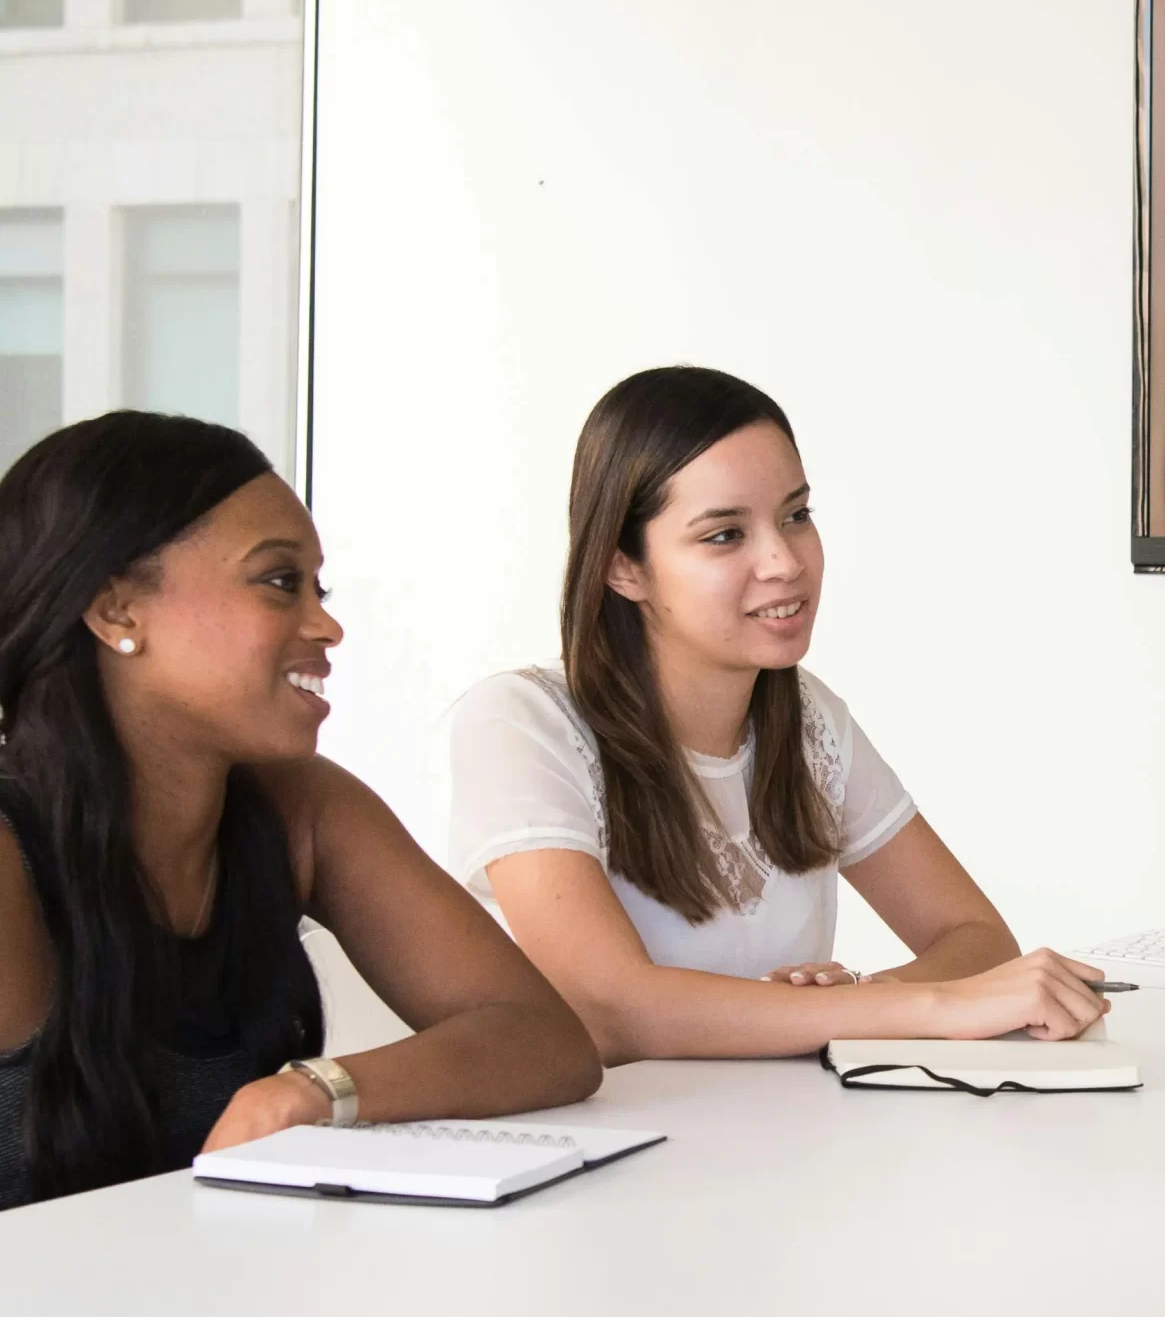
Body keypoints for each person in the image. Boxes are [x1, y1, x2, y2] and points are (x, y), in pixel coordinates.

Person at [0, 413, 600, 1212]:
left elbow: (544, 1040)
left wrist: (314, 1092)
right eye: (280, 581)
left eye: (320, 588)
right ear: (118, 612)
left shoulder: (304, 808)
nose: (327, 625)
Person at [450, 366, 1105, 1063]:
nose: (785, 561)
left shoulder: (808, 717)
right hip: (615, 1156)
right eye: (725, 535)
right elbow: (611, 1010)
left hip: (786, 1145)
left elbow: (975, 938)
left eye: (795, 515)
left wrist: (847, 1003)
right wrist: (886, 1009)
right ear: (624, 568)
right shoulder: (520, 723)